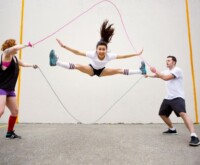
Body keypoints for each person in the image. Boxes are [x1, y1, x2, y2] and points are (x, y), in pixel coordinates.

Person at [49, 20, 146, 77]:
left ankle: (141, 71)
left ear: (106, 50)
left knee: (119, 70)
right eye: (100, 49)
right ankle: (56, 62)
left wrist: (136, 54)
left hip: (102, 71)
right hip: (91, 69)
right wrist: (64, 46)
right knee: (77, 66)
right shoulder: (92, 54)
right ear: (96, 49)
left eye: (103, 49)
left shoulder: (109, 56)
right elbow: (77, 52)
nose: (101, 51)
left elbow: (123, 56)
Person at [146, 55, 200, 146]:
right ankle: (172, 129)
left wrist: (155, 70)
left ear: (174, 62)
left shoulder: (177, 70)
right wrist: (148, 75)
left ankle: (194, 136)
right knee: (162, 114)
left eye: (169, 60)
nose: (167, 62)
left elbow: (165, 77)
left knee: (183, 113)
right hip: (168, 98)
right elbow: (158, 75)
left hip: (178, 97)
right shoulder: (166, 71)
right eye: (166, 60)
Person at [0, 39, 38, 139]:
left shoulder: (15, 58)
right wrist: (27, 44)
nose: (16, 47)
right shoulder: (6, 54)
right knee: (0, 111)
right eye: (14, 45)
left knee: (15, 111)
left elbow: (24, 64)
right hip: (1, 88)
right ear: (11, 47)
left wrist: (32, 65)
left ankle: (10, 132)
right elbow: (14, 48)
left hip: (10, 89)